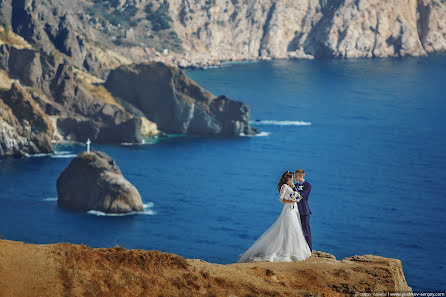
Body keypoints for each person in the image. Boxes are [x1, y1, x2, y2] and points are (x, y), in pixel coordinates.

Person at [238, 171, 311, 263]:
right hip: (288, 209)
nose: (293, 179)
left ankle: (294, 249)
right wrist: (290, 201)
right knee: (288, 228)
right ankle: (285, 250)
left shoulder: (292, 186)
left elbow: (298, 196)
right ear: (288, 179)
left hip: (294, 209)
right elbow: (281, 199)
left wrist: (294, 198)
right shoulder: (284, 186)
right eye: (292, 177)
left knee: (295, 228)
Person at [294, 169, 312, 251]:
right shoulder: (295, 185)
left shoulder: (307, 185)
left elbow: (300, 196)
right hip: (295, 211)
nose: (294, 178)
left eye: (296, 176)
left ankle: (309, 250)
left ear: (301, 176)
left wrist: (293, 188)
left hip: (304, 211)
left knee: (306, 231)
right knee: (297, 231)